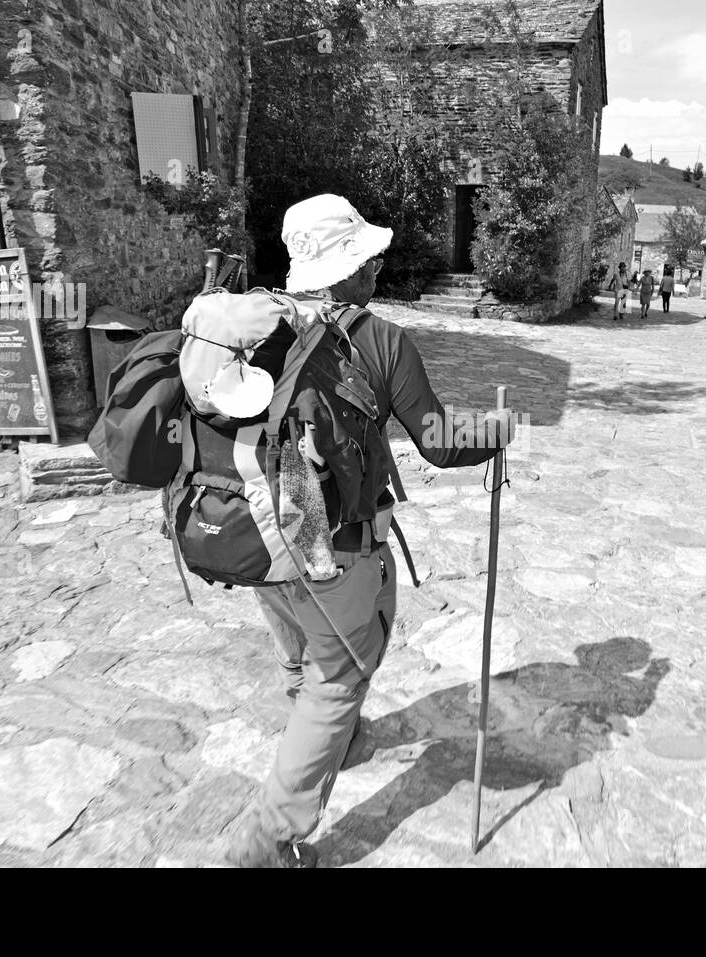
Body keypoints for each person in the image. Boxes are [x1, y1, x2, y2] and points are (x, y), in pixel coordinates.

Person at [227, 194, 516, 868]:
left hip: (259, 532)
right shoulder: (381, 341)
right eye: (367, 256)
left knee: (302, 657)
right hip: (332, 550)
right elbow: (440, 443)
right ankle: (268, 839)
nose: (378, 267)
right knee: (337, 676)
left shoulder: (256, 324)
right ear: (343, 266)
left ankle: (343, 742)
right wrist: (502, 431)